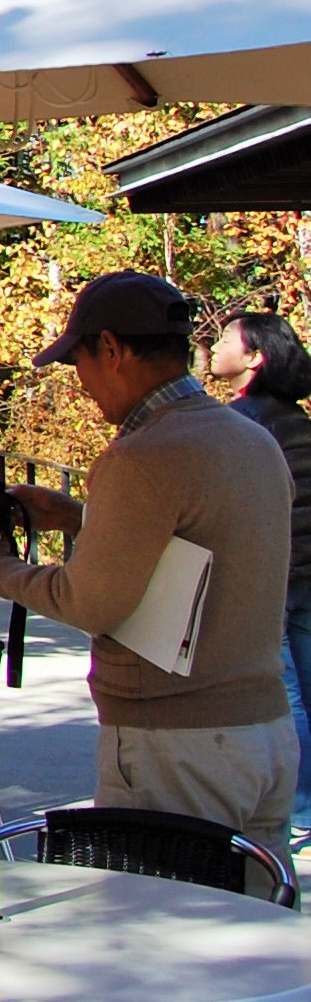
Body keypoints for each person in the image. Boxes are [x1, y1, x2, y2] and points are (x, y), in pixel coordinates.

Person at [0, 272, 296, 852]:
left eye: (78, 361)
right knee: (254, 927)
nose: (81, 384)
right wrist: (81, 517)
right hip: (265, 734)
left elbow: (91, 600)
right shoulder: (249, 439)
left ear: (111, 349)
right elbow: (202, 547)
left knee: (167, 926)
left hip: (176, 741)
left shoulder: (144, 454)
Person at [218, 311, 311, 841]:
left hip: (274, 574)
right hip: (306, 571)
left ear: (254, 358)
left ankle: (298, 809)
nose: (217, 343)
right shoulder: (295, 418)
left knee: (287, 693)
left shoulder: (244, 422)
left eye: (228, 338)